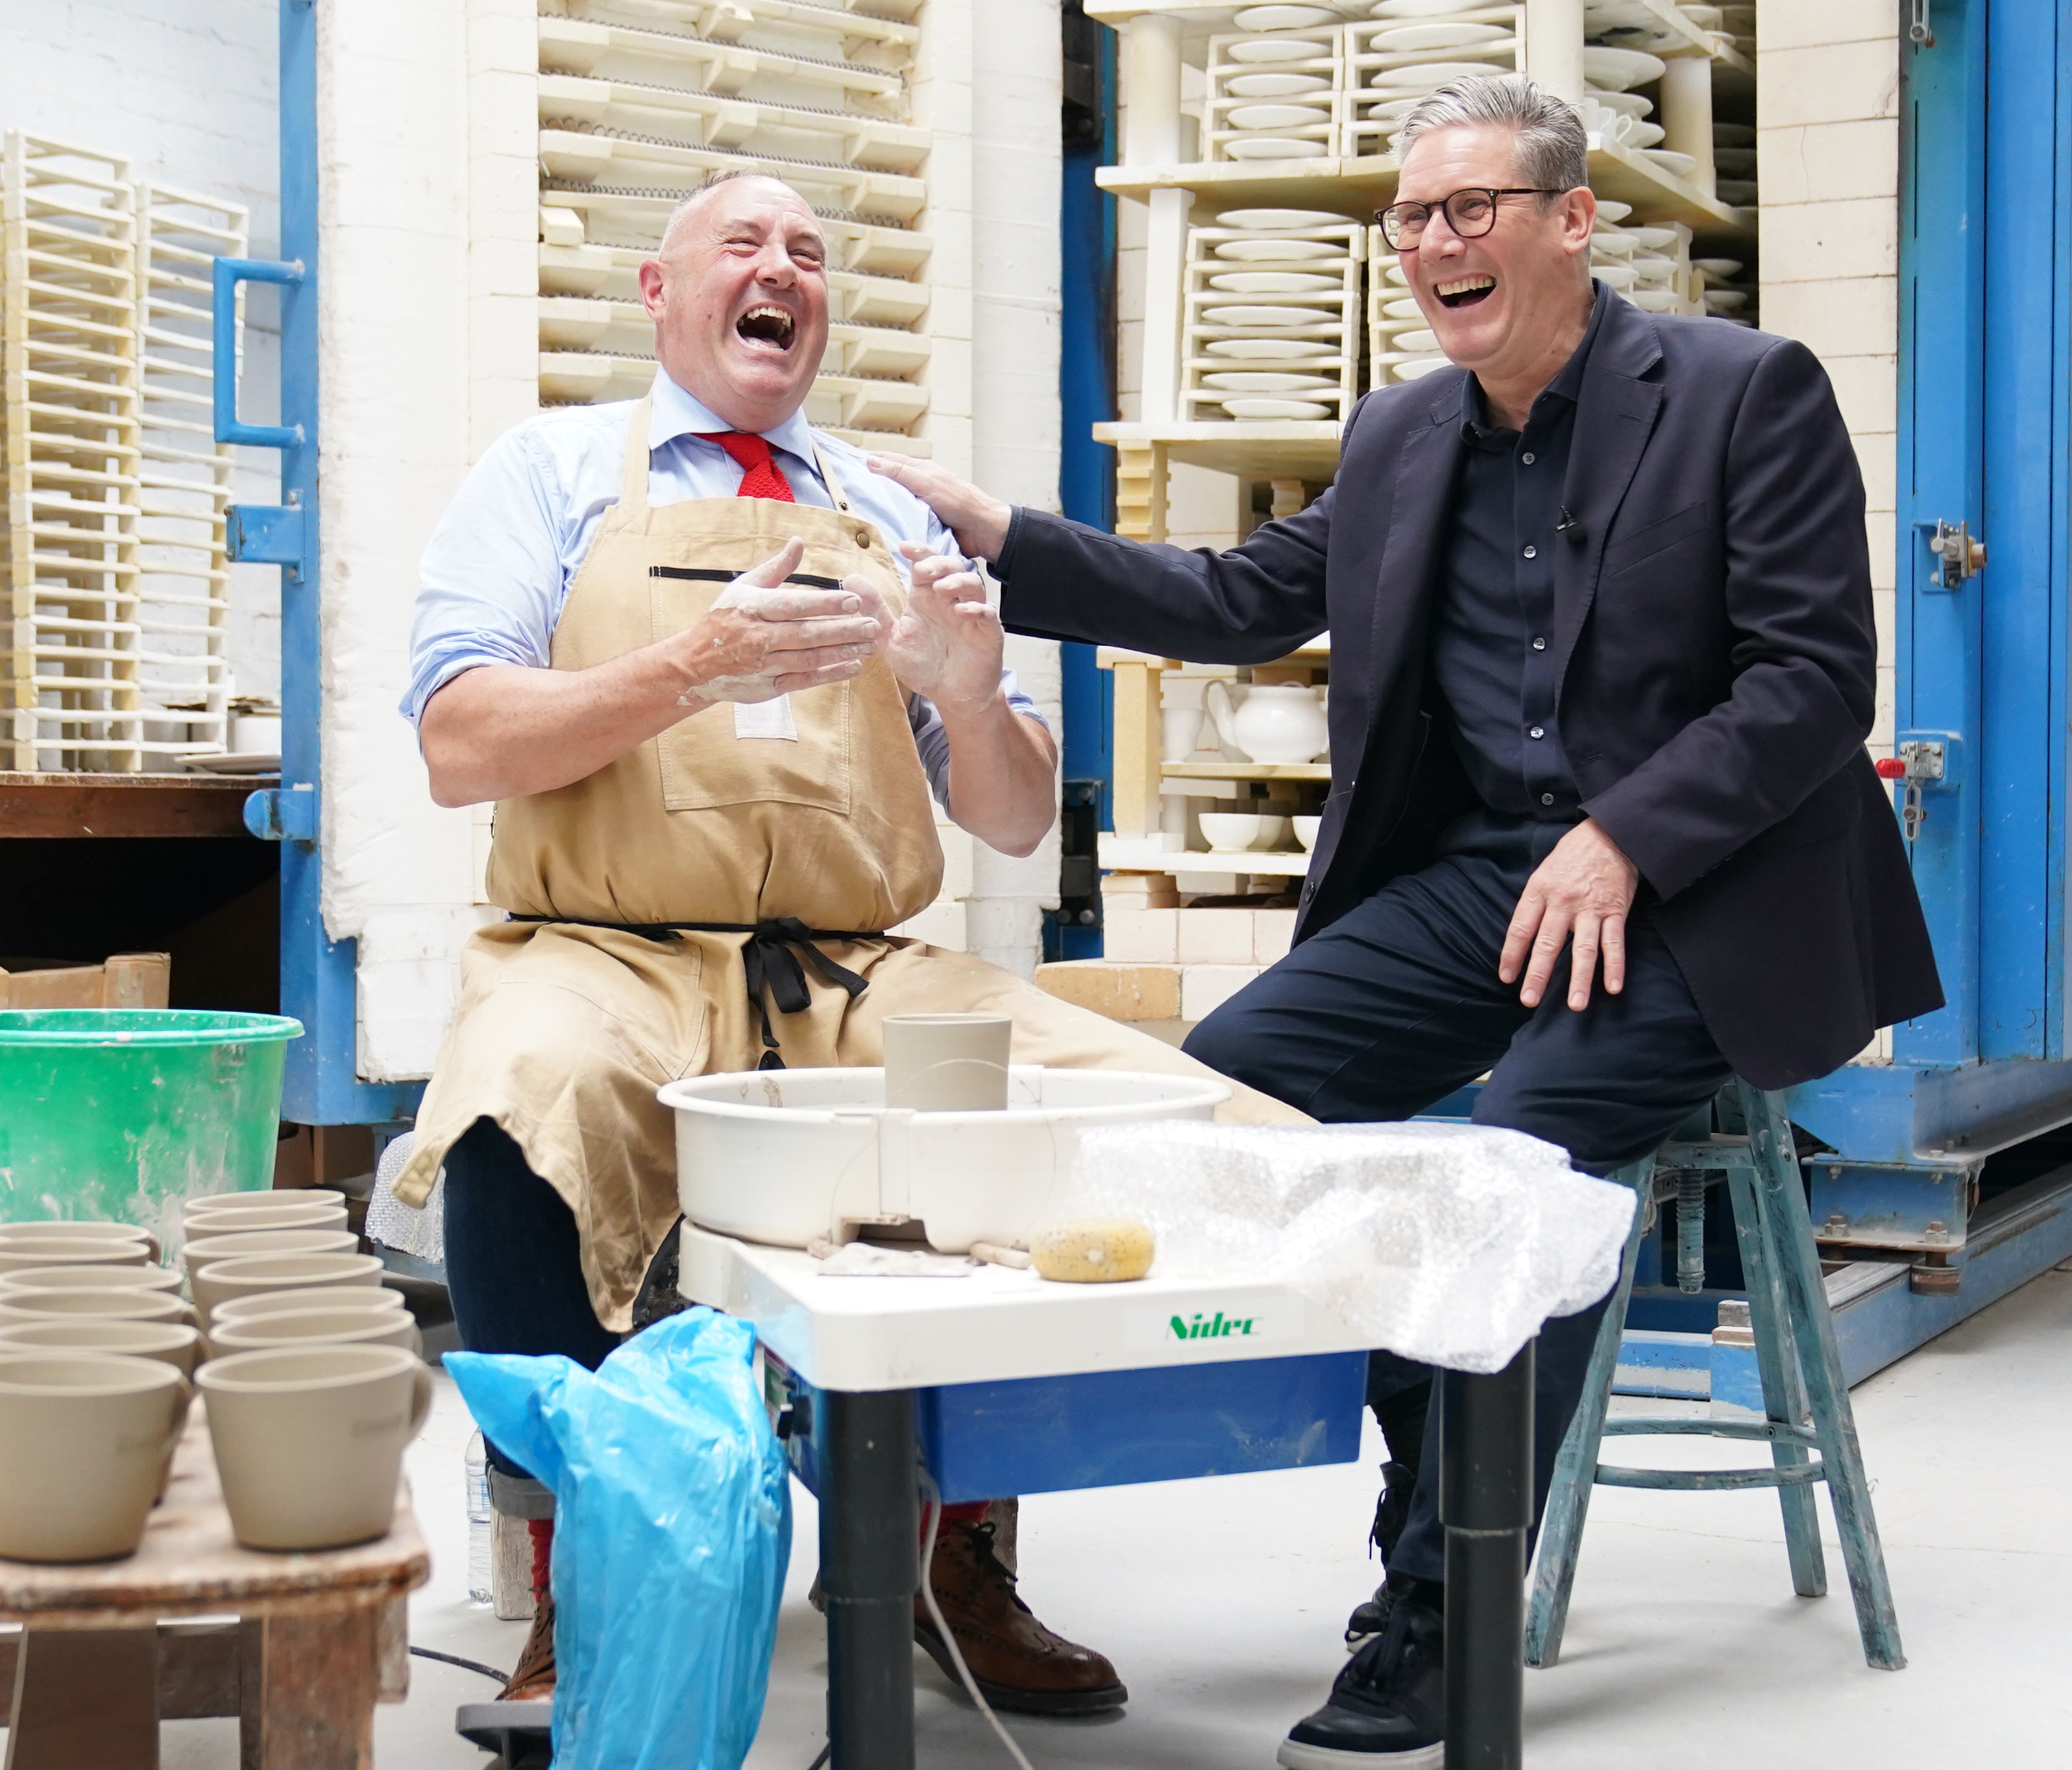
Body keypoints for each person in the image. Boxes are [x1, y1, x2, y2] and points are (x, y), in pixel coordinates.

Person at [866, 73, 1942, 1769]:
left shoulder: (1745, 394)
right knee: (1239, 1091)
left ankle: (1440, 1602)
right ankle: (1433, 1472)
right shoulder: (1400, 431)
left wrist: (1625, 837)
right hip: (1478, 883)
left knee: (1513, 1160)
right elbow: (1231, 604)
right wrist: (997, 534)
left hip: (1708, 894)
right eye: (1412, 219)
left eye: (1472, 209)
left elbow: (1814, 682)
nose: (1434, 243)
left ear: (1573, 220)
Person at [390, 167, 1303, 1723]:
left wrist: (964, 688)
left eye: (809, 254)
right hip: (602, 944)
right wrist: (693, 659)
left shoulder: (880, 510)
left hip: (847, 963)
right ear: (655, 292)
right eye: (740, 246)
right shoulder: (543, 472)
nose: (781, 272)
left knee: (1109, 1104)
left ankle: (957, 1555)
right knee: (520, 1092)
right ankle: (580, 1580)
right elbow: (460, 741)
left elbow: (1010, 819)